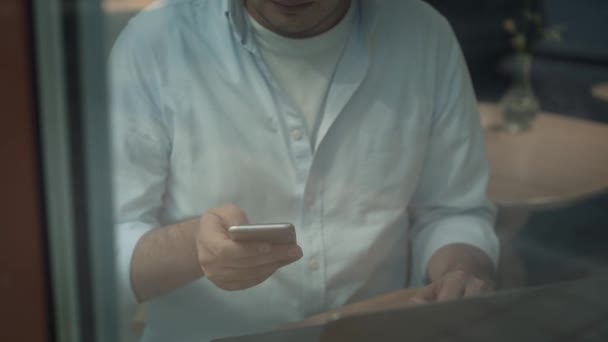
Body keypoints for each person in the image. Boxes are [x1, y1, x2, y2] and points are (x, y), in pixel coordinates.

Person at [110, 0, 499, 341]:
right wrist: (193, 246)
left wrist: (460, 271)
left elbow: (453, 210)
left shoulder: (423, 35)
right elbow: (102, 251)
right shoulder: (155, 42)